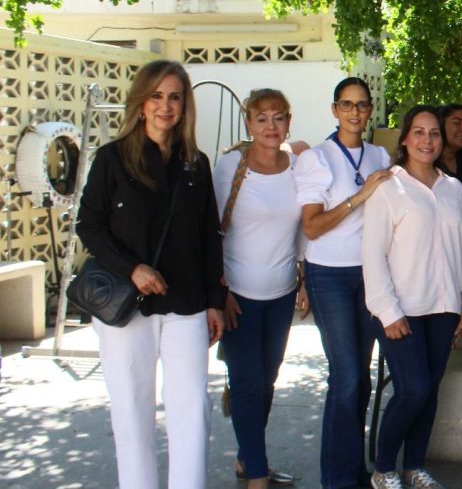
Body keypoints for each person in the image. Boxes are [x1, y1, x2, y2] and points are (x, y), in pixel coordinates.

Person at [76, 60, 225, 489]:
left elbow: (208, 238)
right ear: (141, 103)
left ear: (185, 105)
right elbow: (89, 225)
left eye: (175, 96)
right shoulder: (112, 159)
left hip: (186, 305)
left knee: (192, 410)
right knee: (131, 409)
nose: (166, 105)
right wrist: (132, 268)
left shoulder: (195, 164)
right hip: (127, 308)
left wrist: (215, 302)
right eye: (157, 96)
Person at [362, 105, 462, 489]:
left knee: (429, 391)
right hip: (401, 310)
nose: (427, 140)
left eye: (433, 133)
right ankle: (383, 468)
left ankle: (414, 467)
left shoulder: (454, 189)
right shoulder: (387, 188)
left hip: (444, 308)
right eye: (418, 132)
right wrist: (387, 312)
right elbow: (372, 255)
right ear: (404, 139)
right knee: (411, 390)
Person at [294, 77, 392, 489]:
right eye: (347, 105)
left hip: (369, 274)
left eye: (362, 105)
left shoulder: (380, 154)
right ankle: (336, 479)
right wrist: (359, 197)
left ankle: (352, 470)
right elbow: (312, 227)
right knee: (347, 376)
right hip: (329, 274)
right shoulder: (317, 158)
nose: (355, 113)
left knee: (362, 379)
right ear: (335, 110)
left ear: (370, 111)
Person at [214, 89, 306, 488]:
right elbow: (208, 232)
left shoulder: (298, 166)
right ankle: (256, 472)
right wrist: (219, 292)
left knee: (267, 381)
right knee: (249, 382)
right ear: (248, 123)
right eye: (261, 118)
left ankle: (245, 456)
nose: (271, 126)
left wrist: (303, 278)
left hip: (282, 293)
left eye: (278, 117)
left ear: (288, 121)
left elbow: (305, 223)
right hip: (238, 296)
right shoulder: (230, 166)